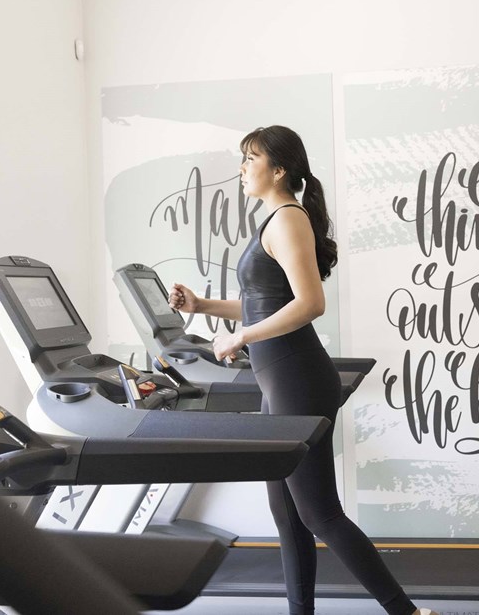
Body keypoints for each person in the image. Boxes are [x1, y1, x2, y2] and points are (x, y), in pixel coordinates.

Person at [168, 125, 438, 615]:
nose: (242, 169)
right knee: (288, 515)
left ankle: (409, 613)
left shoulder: (288, 219)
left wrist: (242, 338)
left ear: (279, 170)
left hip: (297, 376)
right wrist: (203, 304)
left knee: (319, 513)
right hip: (282, 381)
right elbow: (261, 303)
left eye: (250, 159)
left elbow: (310, 303)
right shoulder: (274, 220)